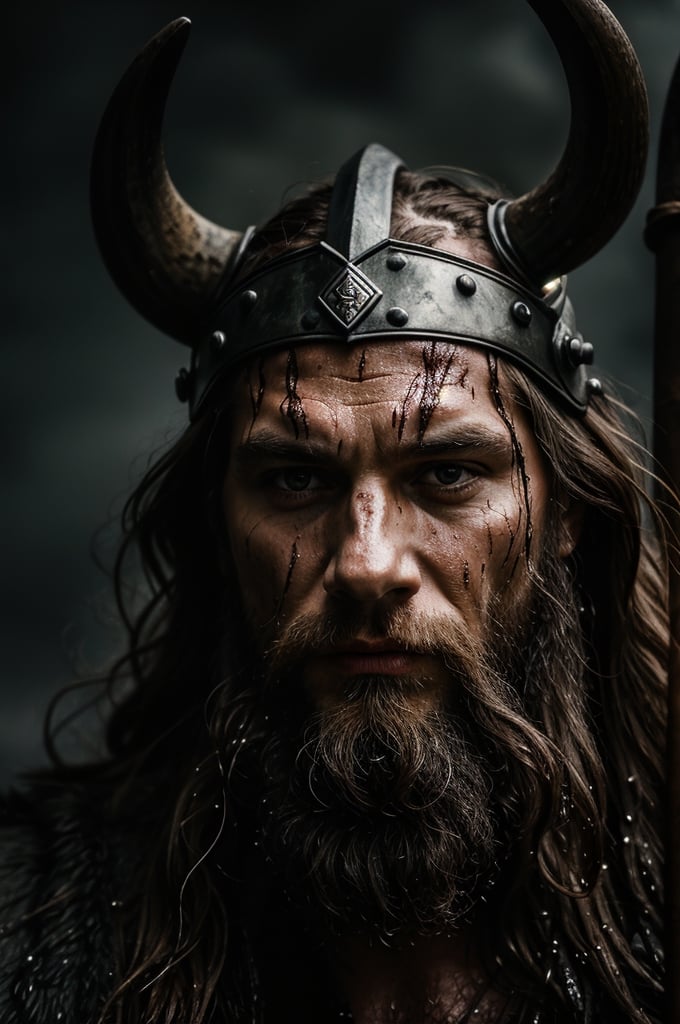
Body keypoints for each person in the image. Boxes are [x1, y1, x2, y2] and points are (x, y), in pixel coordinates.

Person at [0, 2, 668, 1022]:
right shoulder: (31, 915)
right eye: (294, 480)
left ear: (564, 508)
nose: (366, 563)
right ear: (217, 522)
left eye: (446, 474)